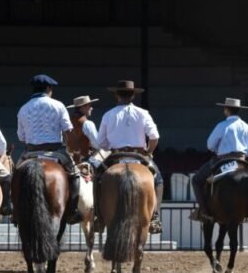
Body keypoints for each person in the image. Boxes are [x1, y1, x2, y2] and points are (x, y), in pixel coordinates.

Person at [95, 80, 162, 232]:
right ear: (132, 96)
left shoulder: (108, 115)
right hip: (139, 156)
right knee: (158, 179)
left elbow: (101, 143)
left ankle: (98, 217)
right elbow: (154, 137)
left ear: (117, 95)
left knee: (98, 177)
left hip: (116, 157)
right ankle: (155, 217)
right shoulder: (143, 113)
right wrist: (149, 152)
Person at [16, 74, 81, 223]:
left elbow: (21, 137)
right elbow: (67, 130)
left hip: (30, 152)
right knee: (75, 174)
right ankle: (72, 210)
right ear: (49, 89)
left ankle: (15, 211)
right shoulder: (58, 105)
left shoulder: (23, 108)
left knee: (16, 176)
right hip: (56, 151)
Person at [190, 97, 248, 222]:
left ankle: (203, 211)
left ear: (226, 110)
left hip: (223, 160)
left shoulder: (222, 125)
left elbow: (210, 145)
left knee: (196, 179)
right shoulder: (247, 127)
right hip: (243, 161)